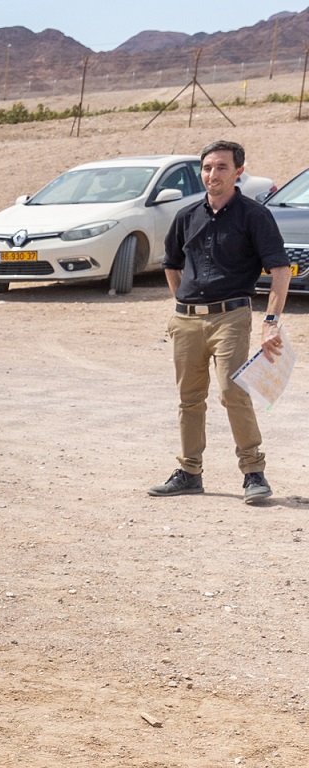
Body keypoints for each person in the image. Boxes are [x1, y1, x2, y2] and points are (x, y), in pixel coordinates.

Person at [147, 139, 290, 504]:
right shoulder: (187, 215)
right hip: (187, 322)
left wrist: (271, 321)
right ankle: (189, 472)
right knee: (188, 399)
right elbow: (171, 263)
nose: (213, 174)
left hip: (232, 316)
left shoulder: (254, 216)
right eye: (208, 167)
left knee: (232, 393)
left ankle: (254, 473)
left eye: (222, 167)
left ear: (238, 172)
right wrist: (181, 302)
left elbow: (279, 269)